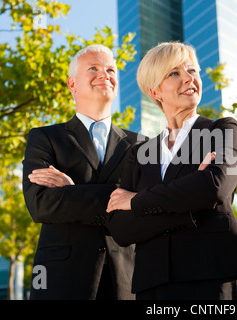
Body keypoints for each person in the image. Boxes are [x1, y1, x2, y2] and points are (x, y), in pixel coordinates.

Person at [105, 41, 237, 300]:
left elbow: (214, 187)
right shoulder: (139, 153)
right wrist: (189, 202)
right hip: (153, 283)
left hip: (212, 275)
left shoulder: (222, 130)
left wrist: (137, 201)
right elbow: (120, 228)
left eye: (192, 71)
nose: (189, 79)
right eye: (174, 73)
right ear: (156, 91)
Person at [22, 44, 145, 300]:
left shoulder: (142, 144)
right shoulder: (44, 137)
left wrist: (73, 192)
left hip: (127, 278)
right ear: (72, 84)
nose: (104, 75)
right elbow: (41, 204)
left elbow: (147, 206)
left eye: (110, 69)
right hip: (61, 277)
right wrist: (123, 197)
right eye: (93, 68)